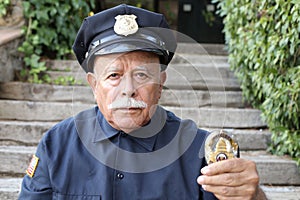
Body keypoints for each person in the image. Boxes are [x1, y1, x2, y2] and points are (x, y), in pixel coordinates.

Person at [19, 4, 267, 200]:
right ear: (94, 85)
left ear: (160, 84)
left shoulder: (201, 152)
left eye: (141, 75)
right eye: (114, 75)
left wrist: (253, 196)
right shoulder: (57, 146)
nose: (128, 90)